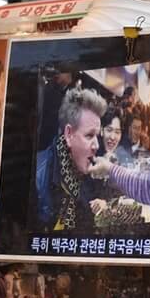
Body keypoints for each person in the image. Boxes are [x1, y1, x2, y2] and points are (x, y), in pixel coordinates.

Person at [35, 87, 107, 231]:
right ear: (68, 134)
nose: (97, 145)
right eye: (89, 135)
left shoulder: (86, 168)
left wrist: (102, 203)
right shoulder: (38, 176)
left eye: (97, 136)